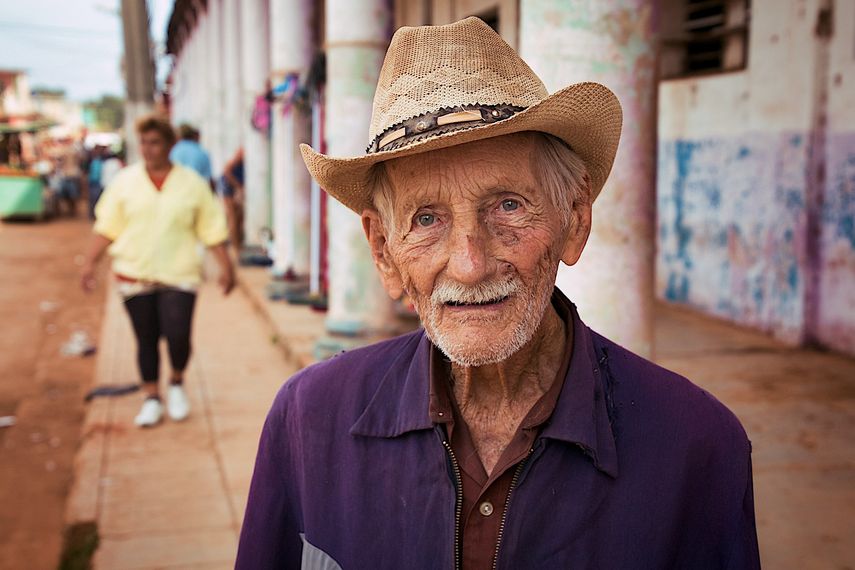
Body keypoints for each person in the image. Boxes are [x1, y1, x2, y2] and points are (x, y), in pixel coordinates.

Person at [236, 18, 760, 569]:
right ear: (385, 250)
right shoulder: (307, 421)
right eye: (427, 218)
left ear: (575, 218)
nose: (469, 264)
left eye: (508, 206)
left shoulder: (697, 448)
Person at [81, 115, 235, 428]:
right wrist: (89, 263)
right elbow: (107, 227)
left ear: (169, 145)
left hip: (179, 274)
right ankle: (152, 397)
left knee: (178, 336)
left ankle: (176, 383)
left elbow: (211, 228)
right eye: (144, 143)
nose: (149, 150)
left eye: (155, 143)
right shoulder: (125, 183)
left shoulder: (191, 184)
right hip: (134, 274)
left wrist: (226, 266)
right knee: (146, 338)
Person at [217, 147, 245, 255]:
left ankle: (237, 244)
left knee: (238, 217)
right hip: (228, 189)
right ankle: (234, 246)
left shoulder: (241, 162)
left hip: (234, 189)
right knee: (232, 217)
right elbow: (226, 171)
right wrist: (237, 186)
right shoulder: (235, 161)